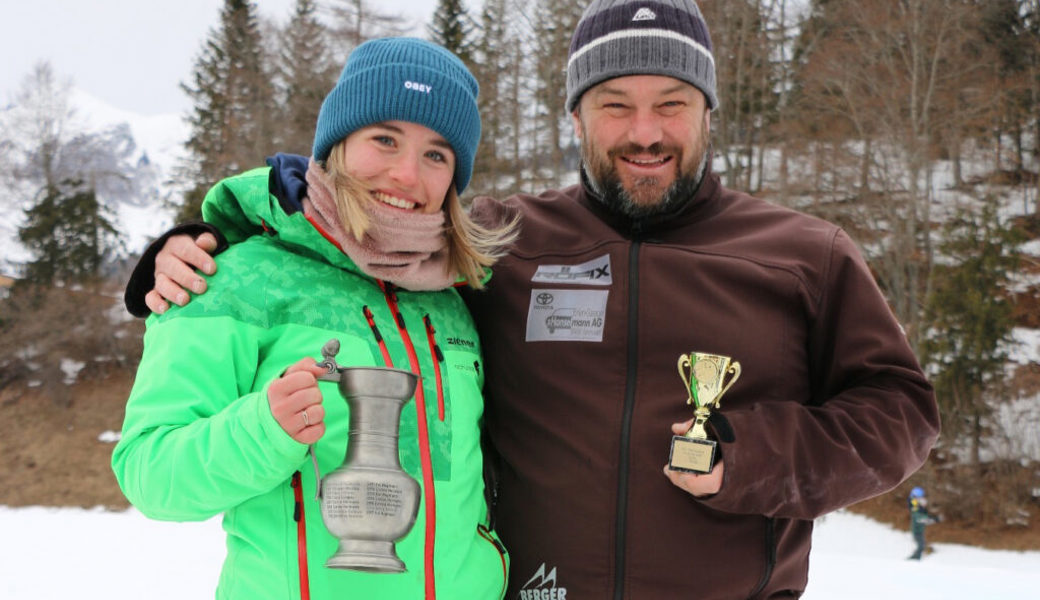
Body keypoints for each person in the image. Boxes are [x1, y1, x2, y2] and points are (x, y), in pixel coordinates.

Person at [126, 0, 942, 597]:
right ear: (578, 118)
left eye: (672, 105)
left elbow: (902, 411)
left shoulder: (803, 256)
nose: (645, 132)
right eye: (615, 105)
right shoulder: (497, 245)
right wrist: (197, 242)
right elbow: (347, 236)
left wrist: (756, 458)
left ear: (708, 114)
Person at [112, 37, 517, 600]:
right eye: (384, 139)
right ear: (336, 144)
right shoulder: (229, 279)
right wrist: (264, 431)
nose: (407, 174)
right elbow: (149, 472)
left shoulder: (457, 295)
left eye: (437, 154)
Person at [908, 486, 939, 560]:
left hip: (919, 531)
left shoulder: (919, 509)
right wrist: (934, 519)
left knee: (922, 545)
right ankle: (914, 558)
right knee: (921, 546)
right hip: (917, 531)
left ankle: (915, 558)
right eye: (921, 500)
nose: (924, 501)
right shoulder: (916, 509)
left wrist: (933, 518)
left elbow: (924, 517)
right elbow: (921, 519)